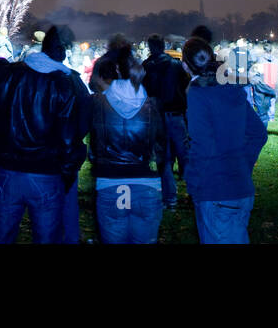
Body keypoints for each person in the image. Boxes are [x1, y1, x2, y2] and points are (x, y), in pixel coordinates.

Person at [0, 24, 87, 244]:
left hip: (10, 169)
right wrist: (67, 171)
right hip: (46, 172)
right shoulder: (62, 83)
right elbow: (69, 137)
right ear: (63, 50)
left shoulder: (10, 76)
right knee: (47, 237)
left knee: (0, 236)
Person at [182, 38, 268, 244]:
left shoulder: (198, 94)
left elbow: (201, 145)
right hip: (240, 187)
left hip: (215, 190)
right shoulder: (231, 88)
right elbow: (258, 133)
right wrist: (242, 165)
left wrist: (193, 182)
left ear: (185, 65)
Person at [89, 39, 166, 244]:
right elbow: (162, 148)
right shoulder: (153, 105)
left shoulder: (97, 103)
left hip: (109, 183)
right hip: (146, 184)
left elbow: (93, 146)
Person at [141, 34, 189, 210]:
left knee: (164, 157)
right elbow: (185, 85)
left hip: (156, 115)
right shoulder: (175, 65)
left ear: (150, 47)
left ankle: (170, 198)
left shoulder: (146, 66)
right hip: (175, 113)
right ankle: (196, 194)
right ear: (163, 46)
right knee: (185, 154)